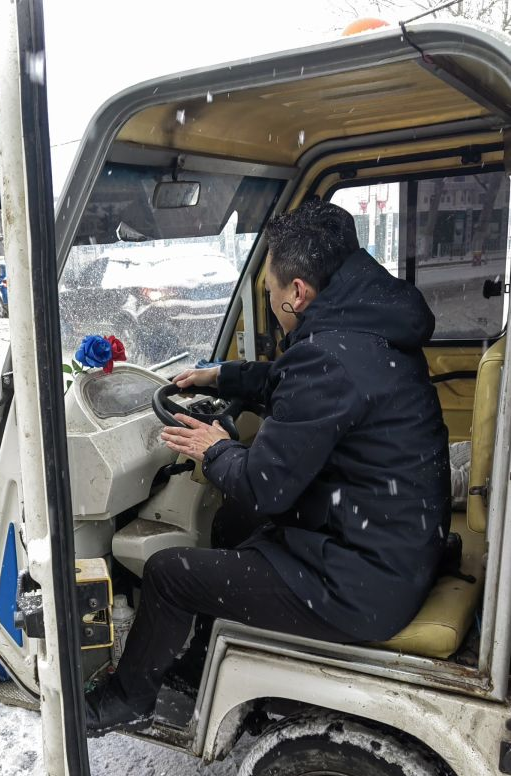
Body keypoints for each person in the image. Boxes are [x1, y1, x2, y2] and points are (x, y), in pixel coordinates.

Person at [85, 199, 450, 736]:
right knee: (231, 525)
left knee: (169, 573)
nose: (274, 304)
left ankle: (126, 697)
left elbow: (263, 488)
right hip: (394, 546)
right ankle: (199, 654)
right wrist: (222, 377)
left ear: (298, 293)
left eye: (272, 295)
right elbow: (296, 383)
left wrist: (214, 448)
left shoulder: (331, 355)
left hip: (362, 587)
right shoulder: (366, 327)